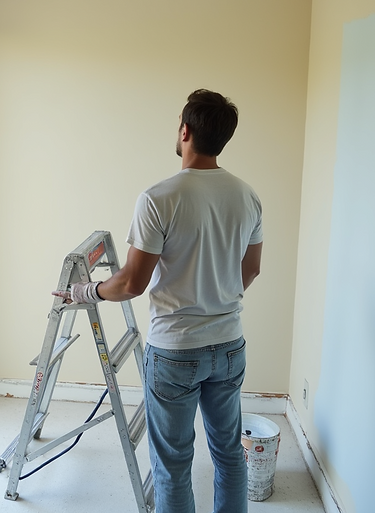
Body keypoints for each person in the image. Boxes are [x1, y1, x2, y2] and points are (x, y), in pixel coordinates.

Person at [53, 89, 263, 513]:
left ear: (185, 131)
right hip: (229, 345)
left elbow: (131, 282)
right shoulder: (247, 196)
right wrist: (216, 295)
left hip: (175, 352)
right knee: (228, 455)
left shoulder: (159, 198)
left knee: (172, 466)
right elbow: (252, 269)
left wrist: (85, 291)